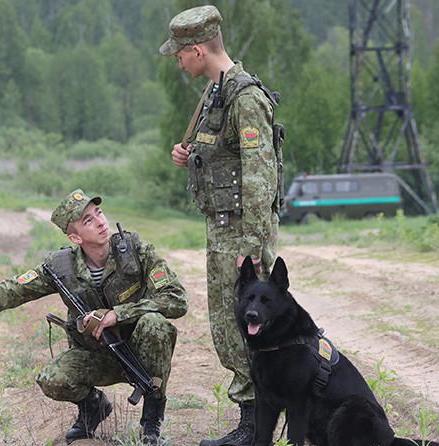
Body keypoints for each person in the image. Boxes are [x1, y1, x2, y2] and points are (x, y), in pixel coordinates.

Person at [0, 189, 188, 444]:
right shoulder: (60, 269)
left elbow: (176, 299)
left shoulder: (137, 252)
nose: (101, 222)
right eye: (88, 220)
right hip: (98, 357)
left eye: (99, 213)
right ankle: (93, 407)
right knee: (52, 379)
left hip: (141, 355)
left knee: (156, 324)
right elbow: (8, 291)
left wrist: (119, 314)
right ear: (75, 237)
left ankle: (151, 423)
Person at [159, 5, 282, 446]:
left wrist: (250, 246)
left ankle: (257, 427)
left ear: (197, 50)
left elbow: (259, 175)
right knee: (228, 327)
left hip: (241, 233)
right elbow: (222, 155)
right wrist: (187, 154)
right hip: (223, 228)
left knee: (249, 325)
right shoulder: (217, 92)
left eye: (179, 54)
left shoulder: (244, 98)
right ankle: (252, 421)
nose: (177, 60)